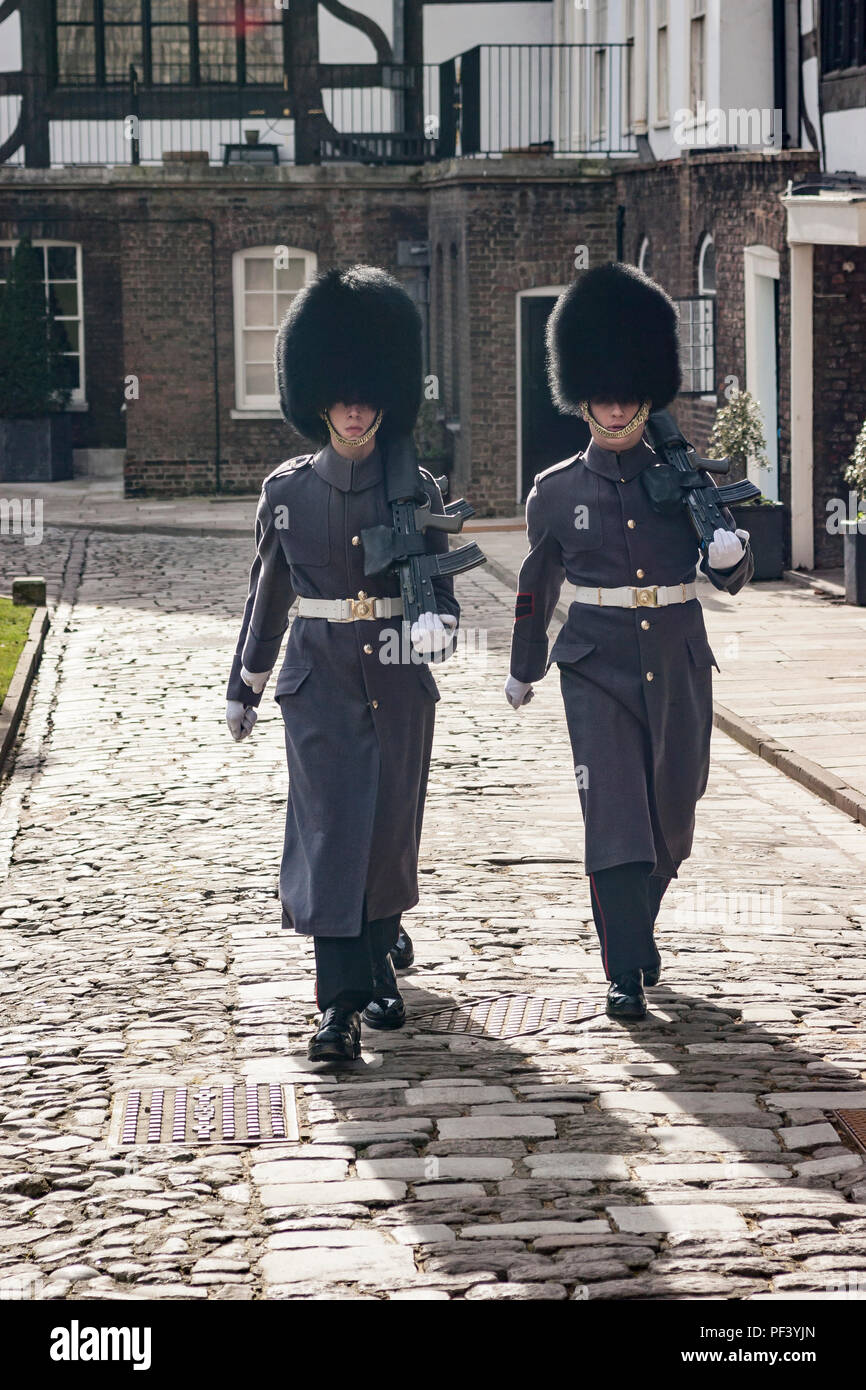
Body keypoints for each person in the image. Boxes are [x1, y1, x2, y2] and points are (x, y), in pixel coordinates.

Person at [504, 261, 753, 1020]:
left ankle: (638, 926)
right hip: (595, 659)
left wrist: (731, 557)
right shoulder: (555, 491)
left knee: (674, 809)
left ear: (649, 392)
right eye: (601, 396)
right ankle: (623, 969)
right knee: (614, 811)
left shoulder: (685, 480)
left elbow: (730, 582)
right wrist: (523, 668)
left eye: (626, 394)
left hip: (678, 651)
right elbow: (534, 587)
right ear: (582, 399)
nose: (614, 408)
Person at [225, 265, 459, 1063]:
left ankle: (378, 953)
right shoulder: (288, 491)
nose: (357, 410)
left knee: (387, 832)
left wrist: (440, 627)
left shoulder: (415, 487)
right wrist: (246, 683)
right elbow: (271, 591)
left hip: (397, 679)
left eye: (369, 396)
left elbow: (441, 585)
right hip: (318, 680)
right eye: (342, 396)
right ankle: (338, 1009)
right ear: (318, 400)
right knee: (330, 835)